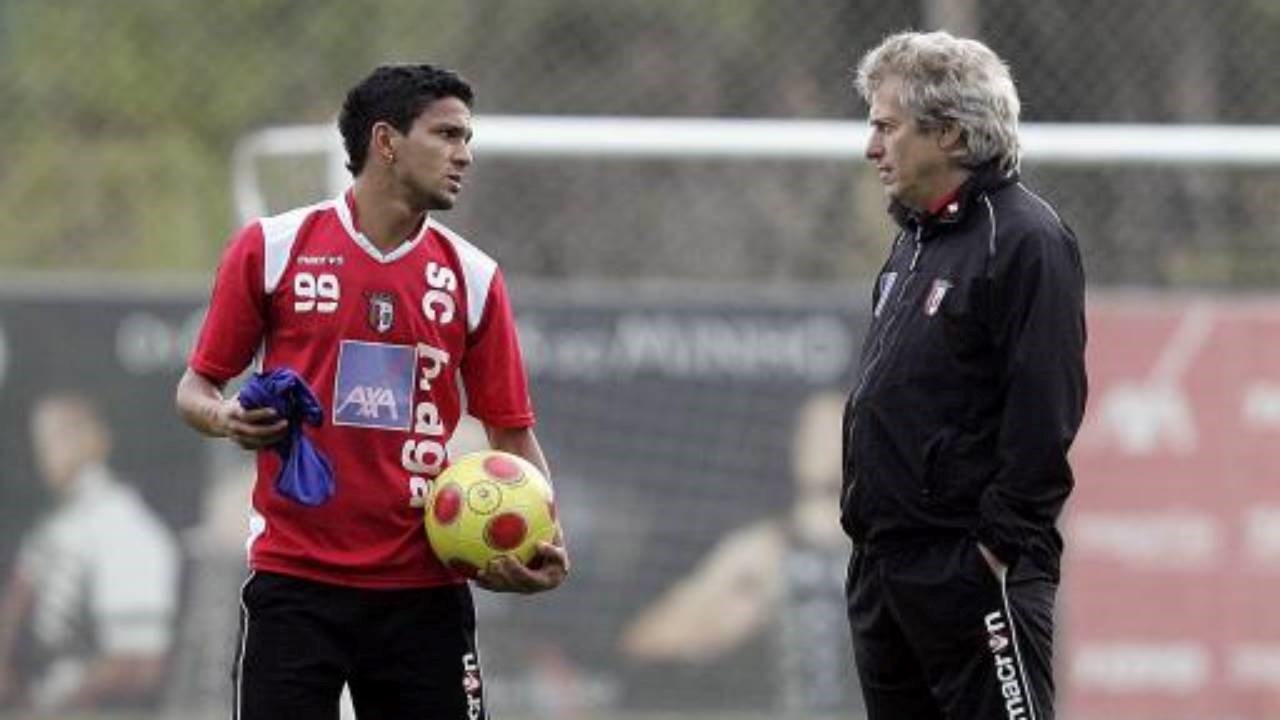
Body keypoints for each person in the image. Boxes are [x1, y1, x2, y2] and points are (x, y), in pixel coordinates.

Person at [175, 63, 569, 719]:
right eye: (447, 134)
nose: (464, 155)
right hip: (295, 584)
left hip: (426, 593)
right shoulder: (272, 249)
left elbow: (511, 430)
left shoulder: (473, 278)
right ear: (385, 142)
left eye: (467, 137)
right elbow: (196, 387)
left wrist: (546, 537)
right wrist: (225, 419)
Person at [841, 31, 1087, 720]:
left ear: (949, 133)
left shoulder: (1026, 239)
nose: (871, 147)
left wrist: (992, 550)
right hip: (886, 572)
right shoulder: (914, 239)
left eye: (885, 126)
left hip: (970, 572)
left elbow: (1047, 413)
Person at [620, 391, 858, 714]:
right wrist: (712, 629)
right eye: (811, 433)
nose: (822, 445)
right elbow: (646, 639)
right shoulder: (759, 551)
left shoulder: (890, 545)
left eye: (834, 431)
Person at [0, 392, 181, 713]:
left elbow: (139, 666)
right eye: (40, 440)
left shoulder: (127, 526)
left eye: (60, 436)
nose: (45, 453)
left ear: (96, 440)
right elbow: (19, 599)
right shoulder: (55, 524)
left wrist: (49, 708)